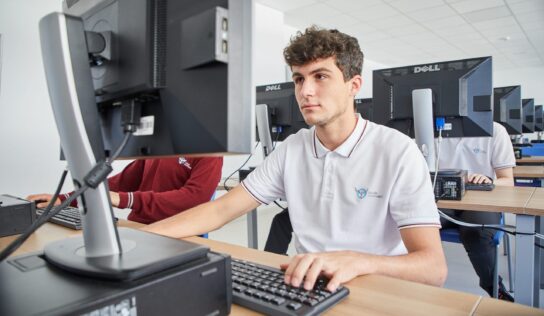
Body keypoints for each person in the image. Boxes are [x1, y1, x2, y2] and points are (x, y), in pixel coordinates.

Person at [143, 26, 447, 292]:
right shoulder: (292, 149)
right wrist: (139, 241)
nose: (306, 91)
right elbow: (220, 210)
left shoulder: (397, 151)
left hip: (378, 288)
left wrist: (357, 261)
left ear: (354, 86)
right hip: (309, 285)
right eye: (299, 79)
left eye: (321, 77)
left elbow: (433, 268)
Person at [437, 122, 516, 301]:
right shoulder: (433, 128)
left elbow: (508, 180)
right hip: (443, 200)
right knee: (412, 224)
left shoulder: (494, 130)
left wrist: (488, 181)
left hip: (481, 202)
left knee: (476, 233)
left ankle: (494, 288)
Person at [27, 156, 223, 224]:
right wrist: (66, 198)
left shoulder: (211, 152)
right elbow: (121, 183)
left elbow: (194, 198)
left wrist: (125, 200)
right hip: (140, 229)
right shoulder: (162, 146)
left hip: (178, 232)